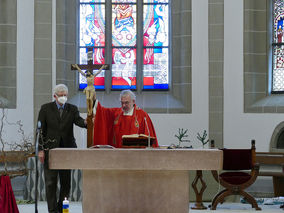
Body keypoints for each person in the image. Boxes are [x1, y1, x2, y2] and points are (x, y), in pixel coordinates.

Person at [37, 84, 87, 213]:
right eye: (61, 95)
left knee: (66, 183)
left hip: (66, 150)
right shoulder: (45, 109)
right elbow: (40, 130)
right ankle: (52, 210)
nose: (63, 97)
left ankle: (62, 209)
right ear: (55, 96)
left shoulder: (72, 109)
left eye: (65, 95)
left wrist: (89, 122)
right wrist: (41, 150)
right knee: (50, 183)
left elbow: (79, 122)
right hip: (50, 150)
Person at [92, 90, 158, 148]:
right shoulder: (116, 113)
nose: (123, 105)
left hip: (136, 155)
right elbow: (103, 112)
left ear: (133, 101)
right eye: (122, 103)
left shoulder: (142, 116)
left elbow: (149, 136)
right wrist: (94, 100)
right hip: (118, 153)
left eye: (126, 103)